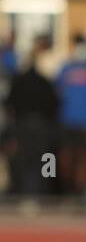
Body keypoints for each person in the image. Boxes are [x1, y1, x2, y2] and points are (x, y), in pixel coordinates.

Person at [2, 36, 58, 197]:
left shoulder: (19, 81)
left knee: (24, 160)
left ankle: (21, 191)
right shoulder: (44, 81)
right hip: (41, 126)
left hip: (24, 125)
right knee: (47, 159)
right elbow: (55, 105)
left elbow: (9, 106)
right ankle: (44, 192)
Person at [55, 33, 86, 197]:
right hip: (67, 120)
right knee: (67, 158)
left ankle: (80, 191)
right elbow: (58, 92)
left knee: (84, 158)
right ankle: (68, 189)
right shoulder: (65, 67)